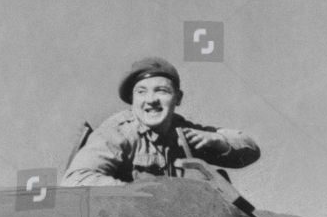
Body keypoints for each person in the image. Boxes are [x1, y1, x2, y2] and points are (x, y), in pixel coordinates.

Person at [63, 57, 260, 186]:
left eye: (161, 91)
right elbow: (76, 180)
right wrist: (149, 194)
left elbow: (250, 150)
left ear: (178, 98)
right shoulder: (117, 132)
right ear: (133, 100)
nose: (151, 100)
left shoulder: (183, 132)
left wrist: (217, 141)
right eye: (141, 92)